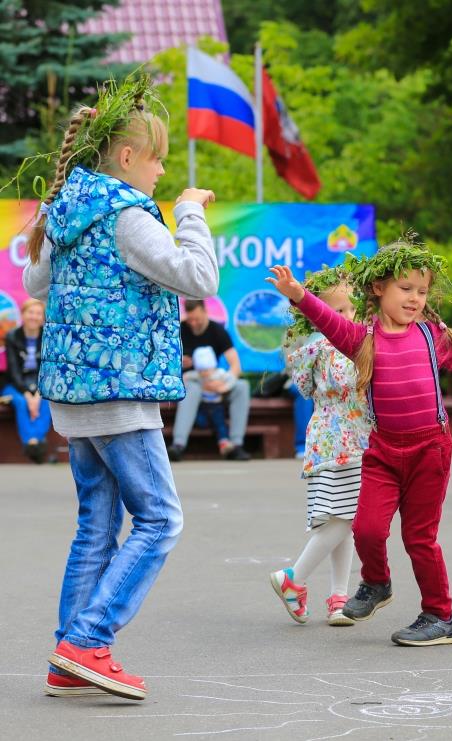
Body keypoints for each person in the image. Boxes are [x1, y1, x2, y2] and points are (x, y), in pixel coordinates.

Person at [20, 78, 219, 699]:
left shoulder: (69, 211)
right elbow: (197, 276)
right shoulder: (129, 216)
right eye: (158, 158)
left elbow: (33, 285)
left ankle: (66, 657)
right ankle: (88, 640)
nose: (162, 170)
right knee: (161, 520)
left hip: (75, 398)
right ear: (128, 158)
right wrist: (189, 213)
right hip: (121, 395)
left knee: (96, 527)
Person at [266, 240, 452, 646]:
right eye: (405, 288)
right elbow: (329, 323)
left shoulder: (432, 338)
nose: (415, 298)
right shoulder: (361, 339)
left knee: (419, 539)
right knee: (367, 529)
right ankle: (376, 584)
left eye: (421, 291)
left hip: (429, 450)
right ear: (378, 289)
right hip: (383, 451)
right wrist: (299, 295)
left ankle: (441, 616)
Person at [268, 270, 371, 626]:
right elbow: (356, 389)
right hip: (349, 439)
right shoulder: (343, 349)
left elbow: (307, 390)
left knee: (339, 515)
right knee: (348, 516)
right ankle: (293, 578)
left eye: (349, 310)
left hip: (325, 438)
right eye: (336, 312)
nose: (345, 318)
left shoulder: (311, 349)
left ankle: (339, 599)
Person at [168, 299, 251, 461]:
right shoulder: (180, 330)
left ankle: (236, 444)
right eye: (190, 319)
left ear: (205, 312)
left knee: (242, 386)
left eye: (197, 319)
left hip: (215, 381)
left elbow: (235, 365)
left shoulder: (217, 331)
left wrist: (224, 384)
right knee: (191, 388)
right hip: (190, 381)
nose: (193, 323)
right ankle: (178, 444)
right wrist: (178, 362)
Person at [3, 298, 52, 463]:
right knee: (20, 401)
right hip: (15, 384)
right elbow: (14, 371)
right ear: (23, 315)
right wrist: (27, 394)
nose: (34, 317)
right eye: (31, 312)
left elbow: (47, 368)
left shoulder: (48, 336)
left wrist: (38, 394)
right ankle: (34, 442)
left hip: (41, 385)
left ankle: (32, 443)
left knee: (46, 401)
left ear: (43, 318)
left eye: (38, 314)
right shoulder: (12, 336)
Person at [182, 345, 235, 456]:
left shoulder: (219, 373)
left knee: (220, 424)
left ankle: (224, 442)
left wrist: (223, 387)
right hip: (203, 405)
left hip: (217, 405)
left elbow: (231, 378)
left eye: (206, 369)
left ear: (213, 366)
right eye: (201, 370)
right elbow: (186, 376)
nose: (204, 373)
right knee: (200, 421)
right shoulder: (197, 375)